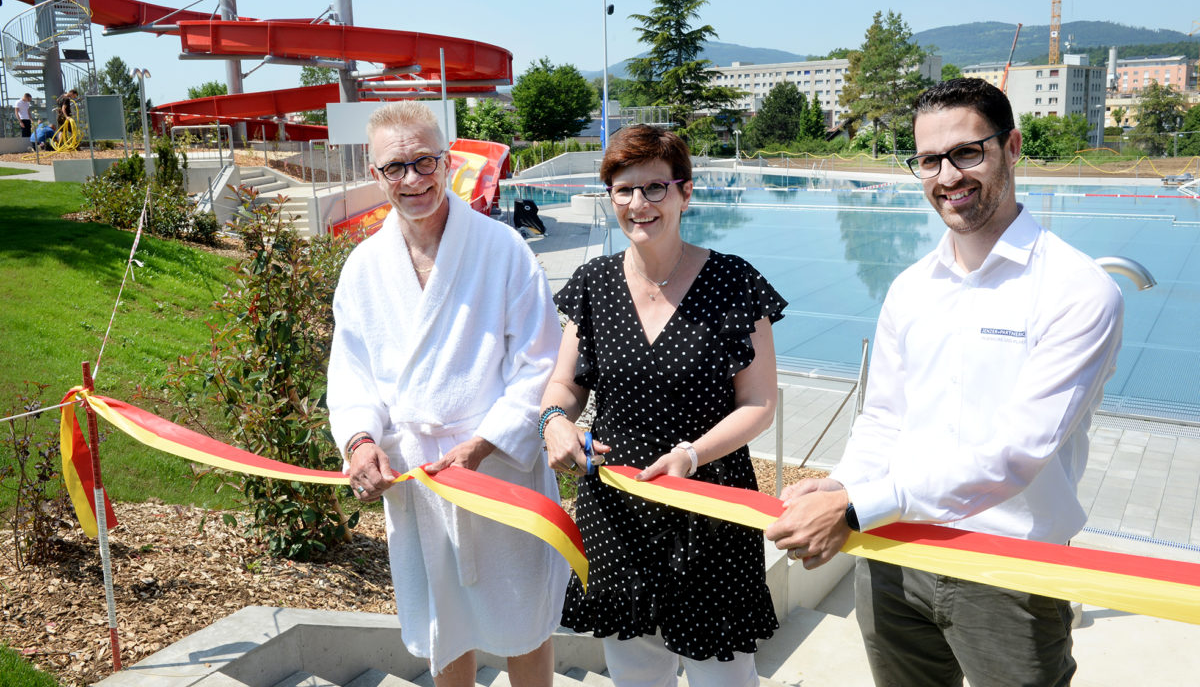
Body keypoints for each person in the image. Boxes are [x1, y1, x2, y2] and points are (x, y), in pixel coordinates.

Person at [765, 78, 1124, 687]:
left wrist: (854, 507)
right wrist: (845, 481)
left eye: (967, 152)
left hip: (1007, 573)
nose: (948, 176)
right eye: (930, 160)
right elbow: (883, 417)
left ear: (1011, 147)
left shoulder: (1077, 290)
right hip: (892, 555)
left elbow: (1014, 455)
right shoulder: (910, 288)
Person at [327, 101, 568, 687]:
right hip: (419, 473)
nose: (412, 179)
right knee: (443, 628)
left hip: (498, 469)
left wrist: (486, 443)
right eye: (395, 167)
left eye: (424, 161)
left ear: (447, 159)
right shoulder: (363, 267)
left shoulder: (502, 250)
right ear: (374, 170)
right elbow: (351, 373)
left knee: (524, 624)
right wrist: (360, 443)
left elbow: (539, 361)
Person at [540, 124, 785, 687]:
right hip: (617, 502)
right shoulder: (593, 282)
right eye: (623, 190)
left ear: (685, 192)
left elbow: (759, 403)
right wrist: (555, 422)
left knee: (723, 674)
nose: (638, 204)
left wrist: (690, 456)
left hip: (708, 501)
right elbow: (565, 383)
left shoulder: (733, 281)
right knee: (634, 670)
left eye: (655, 188)